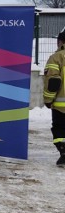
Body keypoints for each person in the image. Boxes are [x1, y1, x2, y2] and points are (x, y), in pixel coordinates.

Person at [43, 31, 65, 167]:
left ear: (61, 42)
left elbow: (53, 82)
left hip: (61, 106)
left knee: (59, 130)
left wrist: (48, 100)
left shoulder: (57, 58)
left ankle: (63, 153)